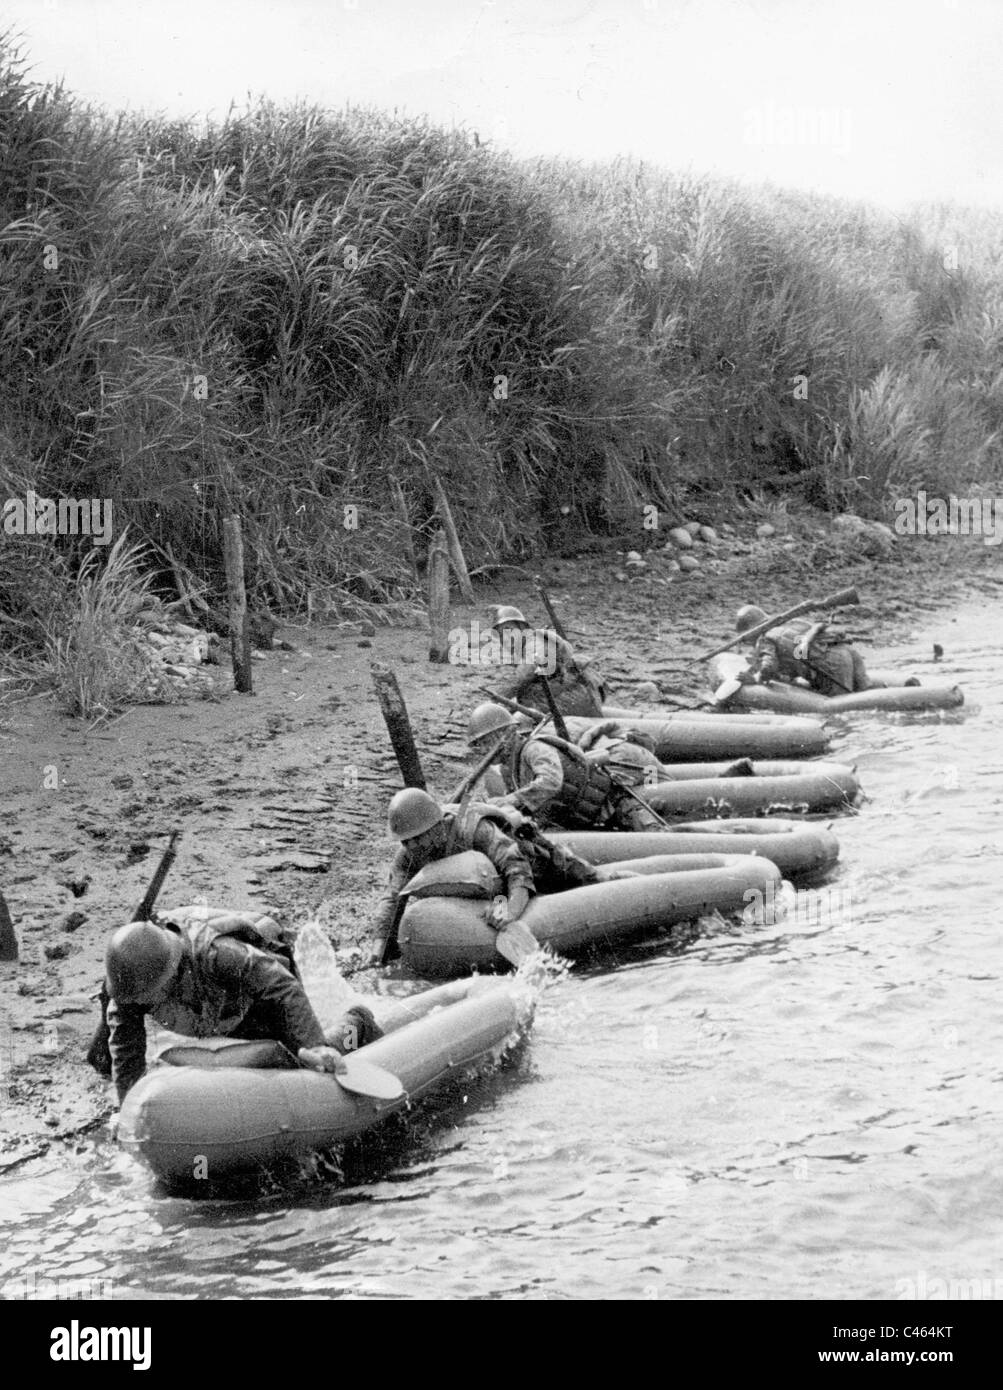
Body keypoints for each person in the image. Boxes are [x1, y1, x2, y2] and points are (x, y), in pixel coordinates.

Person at [105, 907, 381, 1103]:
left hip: (265, 970)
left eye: (147, 999)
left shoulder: (218, 955)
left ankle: (356, 1023)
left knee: (300, 1060)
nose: (139, 1006)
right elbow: (126, 1051)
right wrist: (128, 1106)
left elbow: (281, 986)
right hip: (221, 1002)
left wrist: (314, 1045)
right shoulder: (130, 987)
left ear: (170, 976)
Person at [369, 787, 614, 964]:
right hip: (493, 888)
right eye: (406, 841)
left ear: (437, 827)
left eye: (417, 838)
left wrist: (508, 909)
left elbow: (516, 868)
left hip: (541, 866)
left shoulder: (474, 830)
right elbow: (392, 897)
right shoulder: (409, 853)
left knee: (594, 880)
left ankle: (628, 878)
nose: (412, 846)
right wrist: (379, 948)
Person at [466, 702, 664, 832]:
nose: (482, 750)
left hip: (614, 802)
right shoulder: (508, 768)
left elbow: (550, 781)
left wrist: (509, 800)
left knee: (654, 830)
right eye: (479, 745)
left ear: (503, 735)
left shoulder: (534, 748)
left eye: (485, 742)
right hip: (583, 817)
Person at [735, 605, 876, 697]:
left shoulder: (765, 638)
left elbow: (768, 667)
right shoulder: (790, 622)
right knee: (867, 694)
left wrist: (754, 679)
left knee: (845, 706)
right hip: (848, 652)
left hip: (833, 664)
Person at [488, 605, 605, 717]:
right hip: (576, 692)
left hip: (580, 693)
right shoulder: (523, 649)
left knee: (524, 713)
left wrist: (496, 698)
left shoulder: (535, 641)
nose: (507, 638)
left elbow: (525, 673)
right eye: (501, 635)